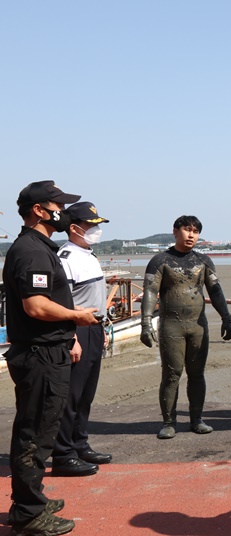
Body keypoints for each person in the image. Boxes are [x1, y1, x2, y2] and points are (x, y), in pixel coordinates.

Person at [3, 180, 99, 536]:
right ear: (39, 210)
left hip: (47, 351)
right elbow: (36, 305)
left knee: (42, 428)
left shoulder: (40, 247)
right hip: (40, 354)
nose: (63, 212)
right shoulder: (32, 252)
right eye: (58, 206)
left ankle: (32, 499)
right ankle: (29, 514)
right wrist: (77, 317)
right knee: (35, 434)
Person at [141, 215, 231, 439]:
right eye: (187, 230)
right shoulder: (160, 260)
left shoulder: (203, 261)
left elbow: (216, 291)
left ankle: (197, 419)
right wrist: (145, 323)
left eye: (195, 231)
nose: (191, 235)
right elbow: (150, 291)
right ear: (175, 231)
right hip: (171, 326)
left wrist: (227, 318)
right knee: (172, 373)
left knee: (197, 373)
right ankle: (168, 422)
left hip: (197, 326)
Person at [52, 202, 113, 478]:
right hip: (77, 329)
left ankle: (80, 444)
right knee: (71, 395)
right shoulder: (66, 257)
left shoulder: (88, 254)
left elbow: (95, 298)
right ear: (74, 227)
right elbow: (62, 302)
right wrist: (72, 338)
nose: (95, 230)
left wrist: (102, 328)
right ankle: (63, 453)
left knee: (86, 393)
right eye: (90, 225)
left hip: (94, 328)